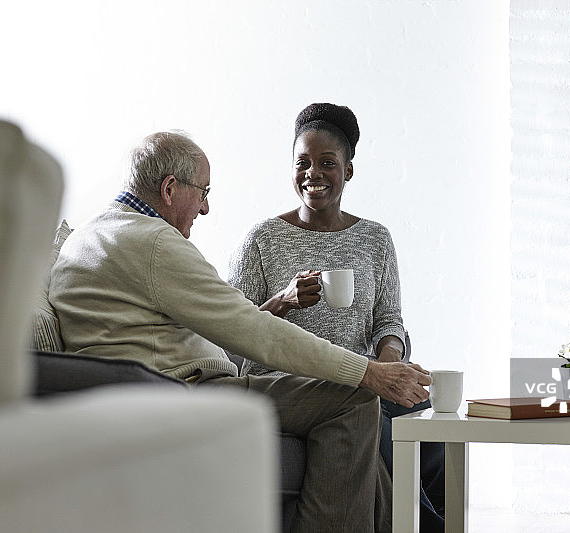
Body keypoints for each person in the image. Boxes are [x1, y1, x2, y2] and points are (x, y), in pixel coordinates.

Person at [49, 130, 432, 533]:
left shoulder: (88, 237)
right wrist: (368, 372)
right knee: (354, 400)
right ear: (169, 188)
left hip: (154, 391)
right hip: (185, 394)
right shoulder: (154, 243)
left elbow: (387, 319)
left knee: (375, 420)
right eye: (203, 192)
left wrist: (384, 363)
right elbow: (253, 329)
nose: (206, 208)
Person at [228, 103, 446, 531]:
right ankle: (428, 524)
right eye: (303, 163)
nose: (314, 173)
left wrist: (389, 359)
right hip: (295, 383)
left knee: (433, 413)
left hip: (365, 374)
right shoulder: (262, 239)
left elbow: (389, 319)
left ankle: (441, 516)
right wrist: (284, 300)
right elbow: (232, 328)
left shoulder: (375, 239)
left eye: (328, 163)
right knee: (375, 417)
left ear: (348, 171)